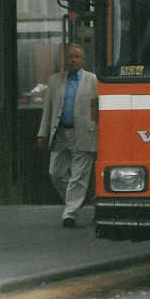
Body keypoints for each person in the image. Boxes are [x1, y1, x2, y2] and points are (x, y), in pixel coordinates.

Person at [37, 43, 98, 228]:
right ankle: (75, 201)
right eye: (70, 57)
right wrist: (42, 133)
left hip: (84, 133)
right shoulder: (55, 80)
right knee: (55, 172)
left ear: (83, 60)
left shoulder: (93, 80)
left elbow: (97, 108)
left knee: (79, 176)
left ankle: (70, 214)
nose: (73, 60)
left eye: (77, 57)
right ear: (65, 60)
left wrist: (98, 130)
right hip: (60, 132)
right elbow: (48, 109)